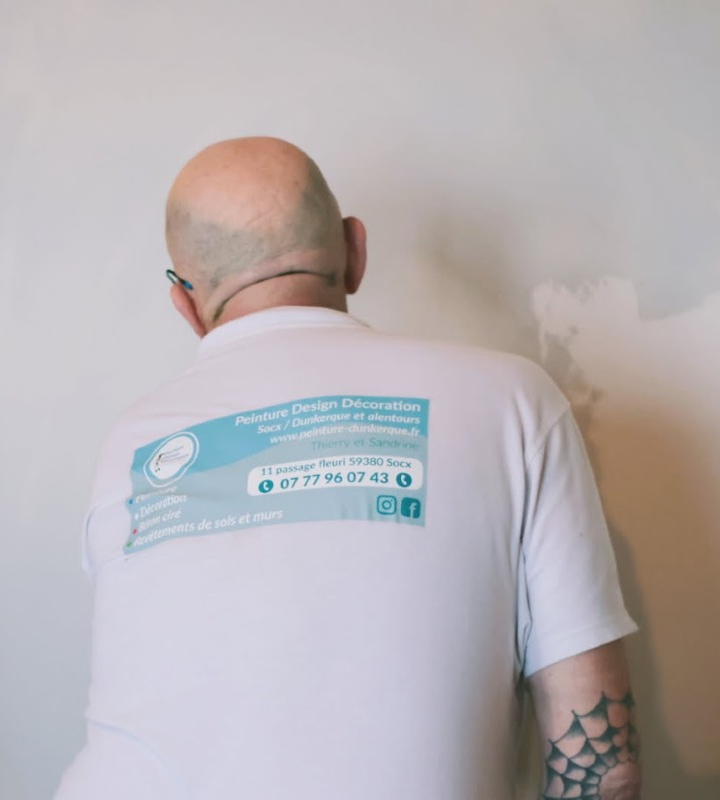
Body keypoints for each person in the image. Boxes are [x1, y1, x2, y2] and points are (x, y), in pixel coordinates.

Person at [55, 137, 641, 799]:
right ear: (355, 251)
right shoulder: (514, 401)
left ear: (186, 304)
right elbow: (603, 767)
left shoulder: (132, 441)